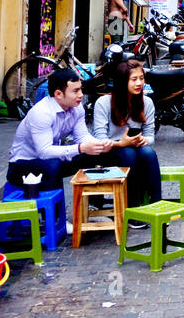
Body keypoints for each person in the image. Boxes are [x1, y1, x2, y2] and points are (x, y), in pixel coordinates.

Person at [7, 68, 114, 229]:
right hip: (22, 166)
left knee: (94, 154)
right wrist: (80, 148)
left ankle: (93, 209)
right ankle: (56, 220)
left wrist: (98, 144)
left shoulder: (76, 108)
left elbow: (82, 137)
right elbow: (44, 152)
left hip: (52, 159)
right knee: (53, 164)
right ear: (58, 94)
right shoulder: (41, 113)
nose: (81, 95)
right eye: (75, 91)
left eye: (81, 90)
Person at [91, 59, 161, 223]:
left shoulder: (147, 103)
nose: (139, 83)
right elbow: (100, 139)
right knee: (128, 153)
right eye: (134, 79)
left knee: (148, 152)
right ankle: (132, 210)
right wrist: (121, 143)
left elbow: (151, 136)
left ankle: (157, 205)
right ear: (122, 81)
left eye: (141, 78)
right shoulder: (104, 103)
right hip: (108, 152)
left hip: (135, 148)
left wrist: (143, 140)